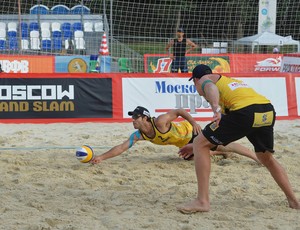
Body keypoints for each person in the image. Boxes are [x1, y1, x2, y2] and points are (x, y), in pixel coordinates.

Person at [177, 64, 300, 213]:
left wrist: (215, 107)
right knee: (266, 158)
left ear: (196, 80)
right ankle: (294, 201)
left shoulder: (205, 79)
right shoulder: (230, 83)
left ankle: (202, 201)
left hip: (245, 111)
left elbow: (209, 86)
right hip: (266, 111)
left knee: (199, 143)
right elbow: (224, 131)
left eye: (195, 84)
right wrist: (200, 145)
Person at [91, 106, 260, 165]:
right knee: (191, 159)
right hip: (183, 144)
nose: (132, 119)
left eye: (135, 117)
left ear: (144, 117)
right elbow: (121, 147)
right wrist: (101, 157)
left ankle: (256, 158)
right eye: (132, 117)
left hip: (191, 133)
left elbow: (179, 111)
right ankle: (220, 153)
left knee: (223, 144)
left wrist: (193, 122)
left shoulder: (160, 121)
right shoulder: (139, 134)